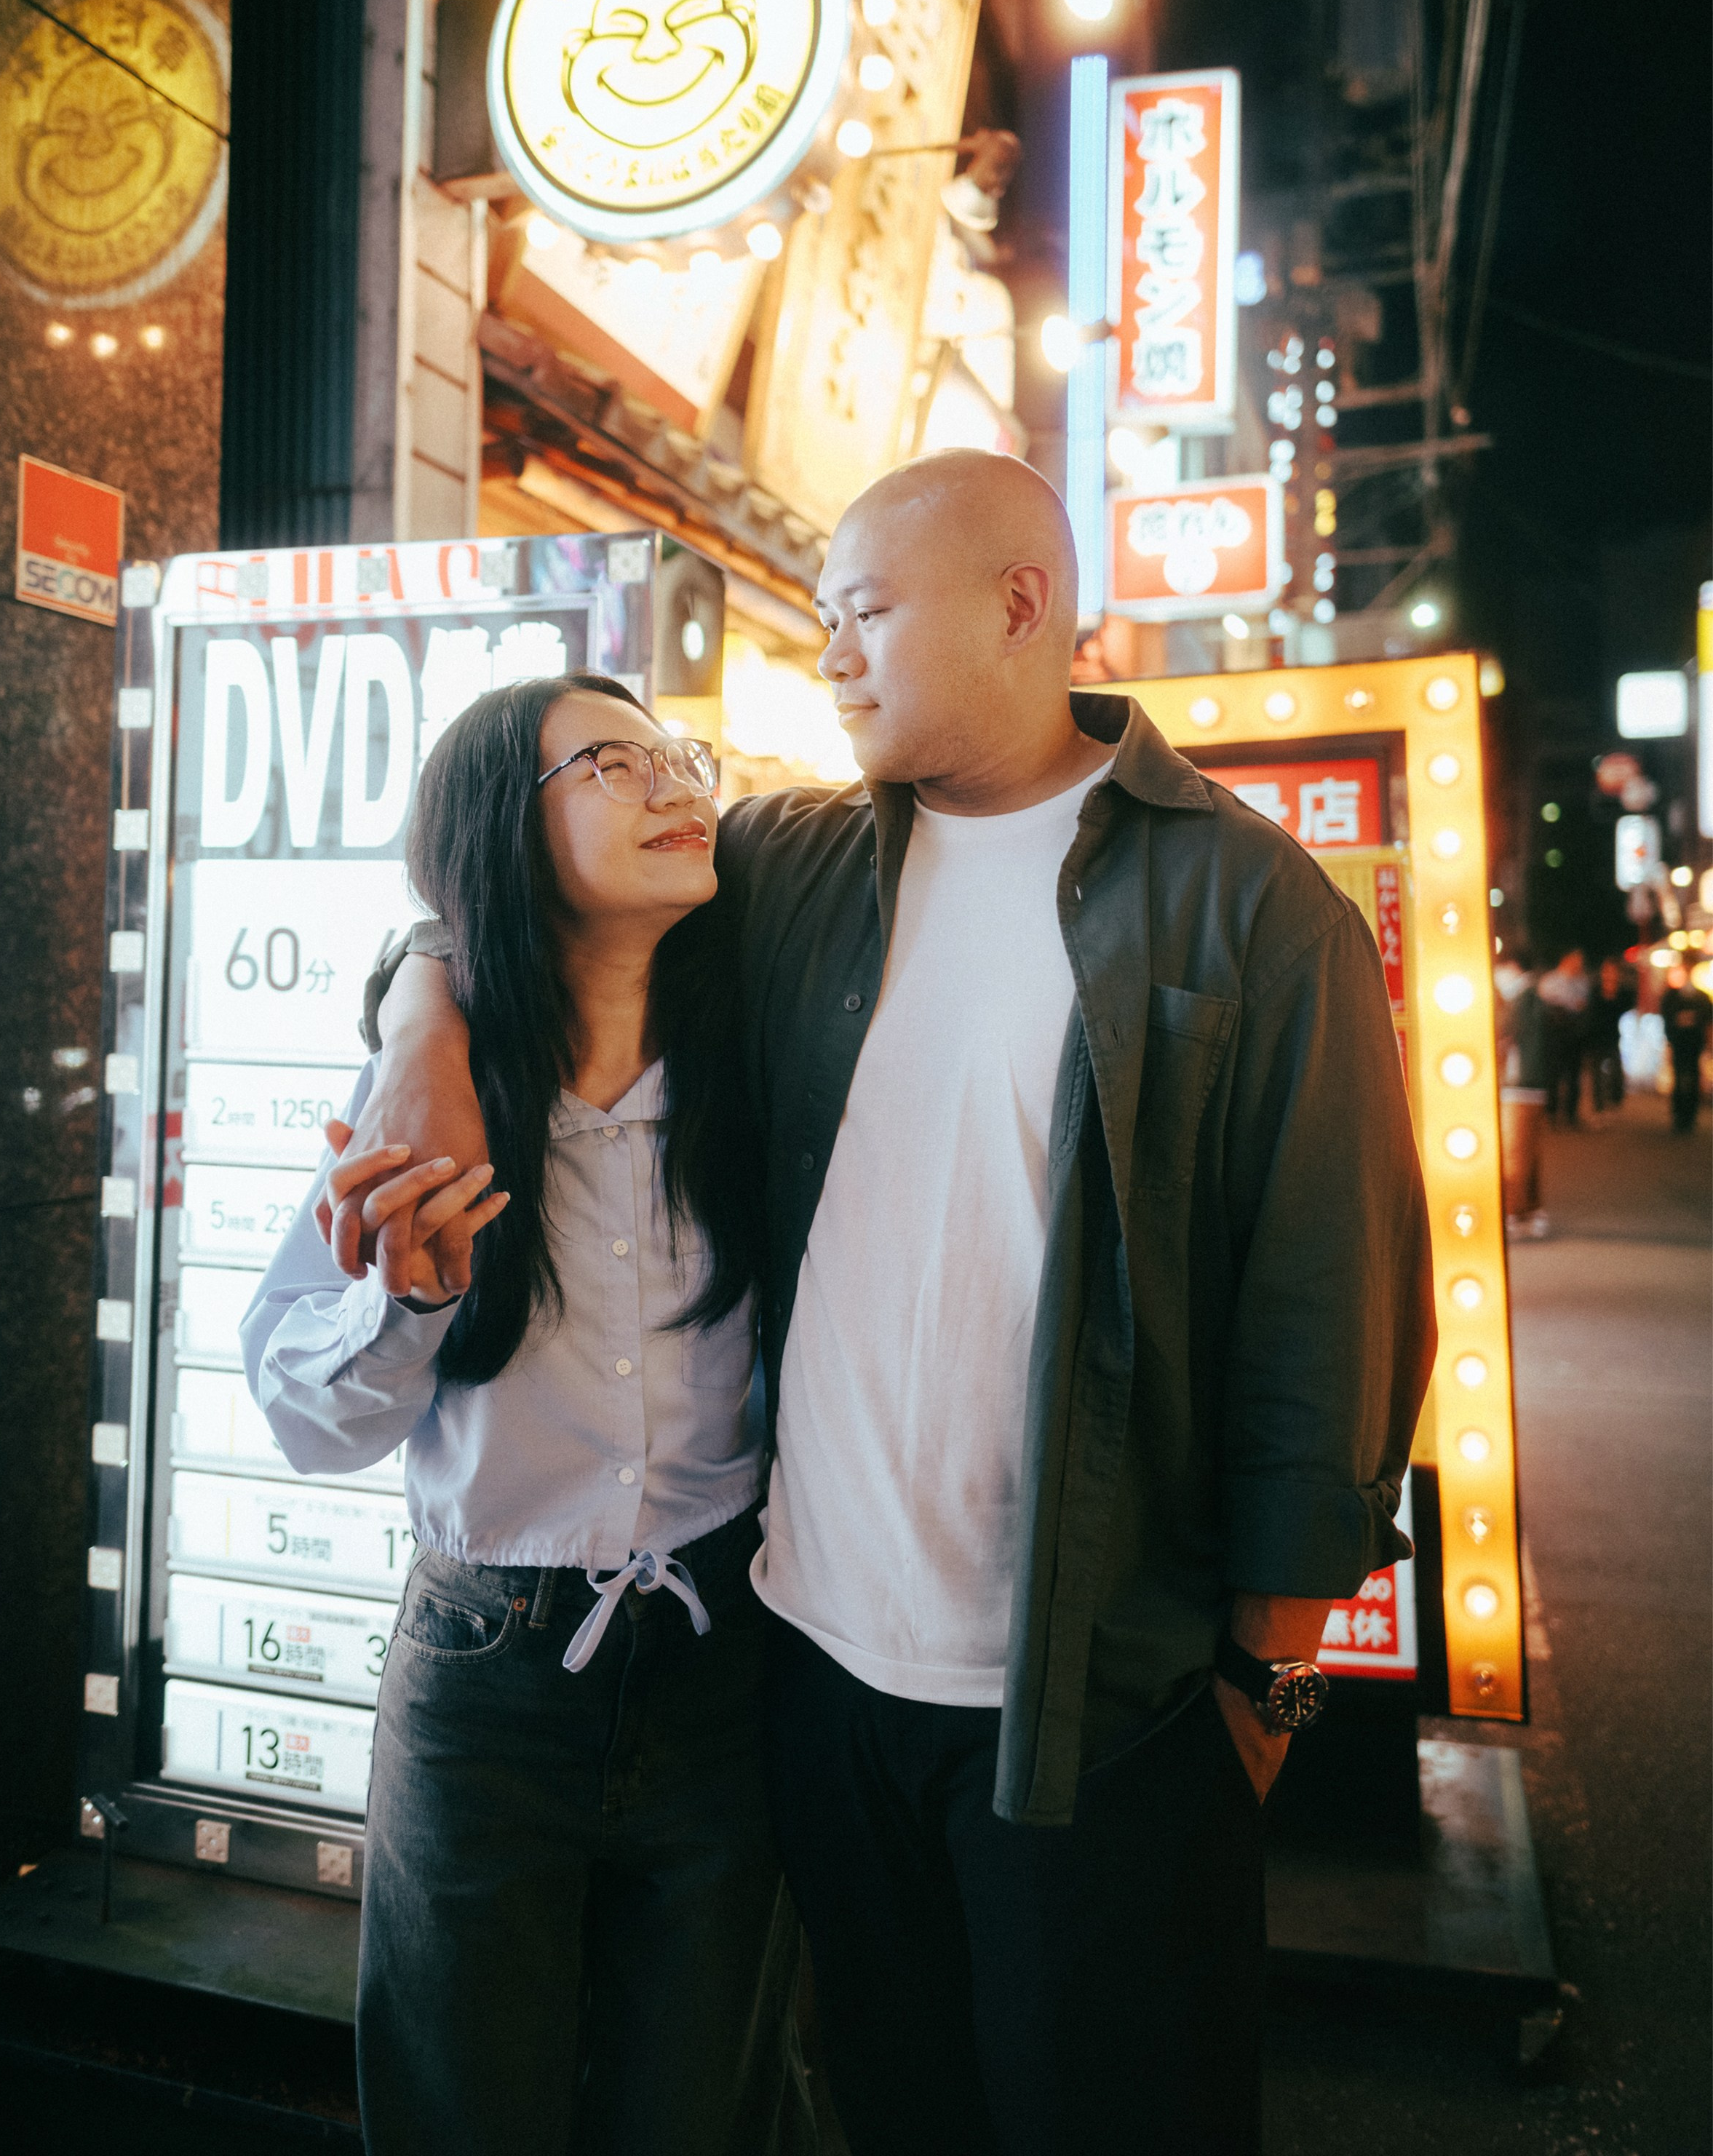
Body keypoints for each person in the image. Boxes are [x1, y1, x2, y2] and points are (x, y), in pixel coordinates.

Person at [333, 453, 1436, 2155]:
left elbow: (1329, 1311)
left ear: (1015, 603)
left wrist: (1263, 1685)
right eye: (825, 618)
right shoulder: (787, 864)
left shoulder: (1242, 900)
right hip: (808, 1673)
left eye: (862, 610)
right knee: (880, 2104)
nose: (830, 653)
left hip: (1104, 1699)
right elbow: (513, 898)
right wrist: (417, 1013)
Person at [240, 675, 811, 2156]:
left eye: (679, 756)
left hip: (720, 1658)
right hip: (487, 1674)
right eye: (612, 763)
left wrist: (417, 978)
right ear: (505, 826)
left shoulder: (757, 1067)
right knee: (461, 2111)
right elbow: (310, 1422)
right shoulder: (426, 1109)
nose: (675, 783)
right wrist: (408, 1300)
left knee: (699, 2113)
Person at [1495, 949, 1551, 1238]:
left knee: (1514, 1153)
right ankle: (1533, 1212)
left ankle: (1514, 1214)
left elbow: (1506, 1032)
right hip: (1533, 1085)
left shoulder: (1522, 997)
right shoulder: (1533, 996)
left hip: (1520, 1085)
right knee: (1529, 1153)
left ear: (1513, 966)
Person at [1536, 945, 1591, 1125]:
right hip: (1555, 1033)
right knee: (1554, 1074)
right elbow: (1547, 1006)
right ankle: (1551, 1113)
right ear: (1566, 960)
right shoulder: (1550, 981)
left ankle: (1571, 1114)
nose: (1579, 965)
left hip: (1575, 1033)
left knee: (1574, 1075)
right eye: (1576, 961)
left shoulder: (1582, 983)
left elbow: (1583, 1005)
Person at [1661, 967, 1712, 1133]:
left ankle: (1686, 1116)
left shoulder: (1697, 998)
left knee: (1687, 1076)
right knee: (1684, 1076)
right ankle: (1683, 1116)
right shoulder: (1674, 997)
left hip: (1690, 1044)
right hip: (1683, 1044)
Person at [1583, 955, 1634, 1113]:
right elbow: (1590, 1013)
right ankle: (1598, 1107)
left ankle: (1615, 1098)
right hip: (1596, 1037)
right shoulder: (1595, 991)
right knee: (1597, 1074)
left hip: (1615, 1037)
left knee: (1616, 1071)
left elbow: (1629, 1013)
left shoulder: (1625, 992)